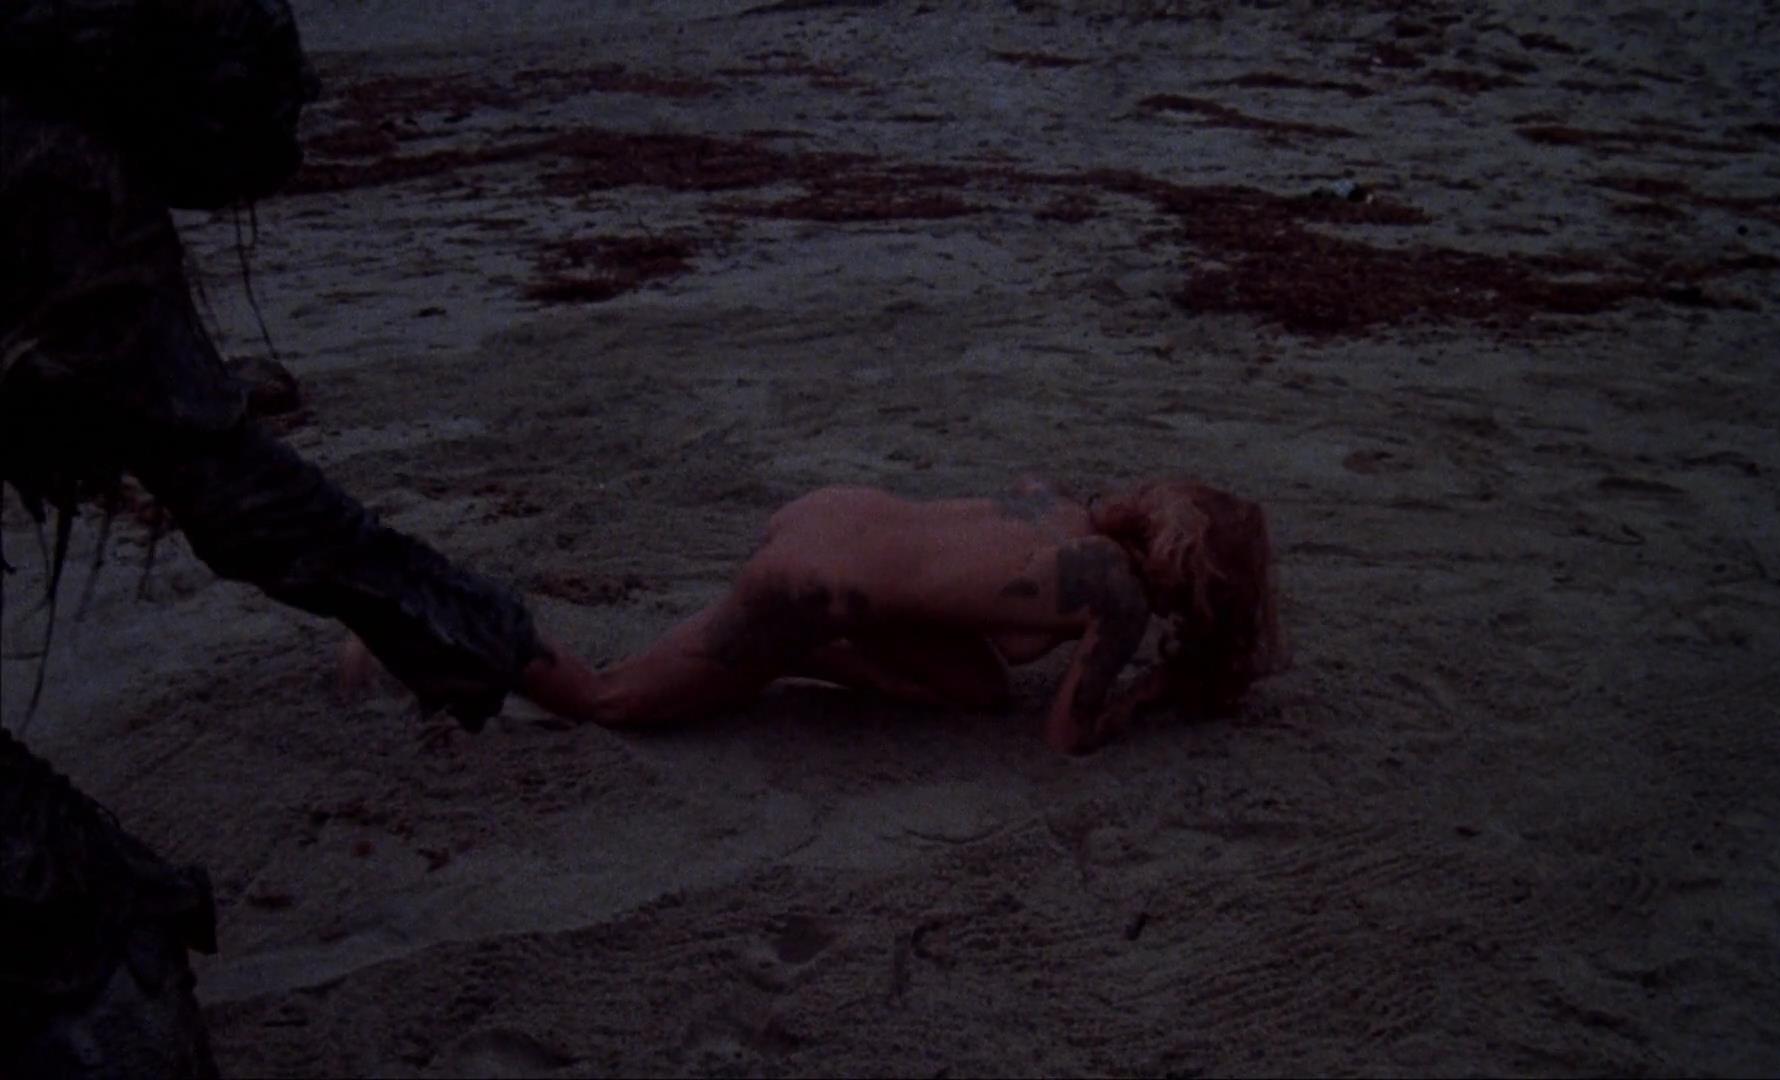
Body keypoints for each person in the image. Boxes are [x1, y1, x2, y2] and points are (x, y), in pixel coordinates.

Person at [0, 1, 571, 1074]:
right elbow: (232, 493)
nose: (293, 142)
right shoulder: (56, 173)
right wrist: (450, 619)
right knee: (100, 977)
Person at [503, 477, 1286, 753]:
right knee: (606, 699)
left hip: (832, 515)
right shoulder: (1117, 595)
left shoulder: (1059, 506)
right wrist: (1146, 695)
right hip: (811, 585)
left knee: (982, 691)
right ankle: (467, 626)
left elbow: (973, 593)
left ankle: (800, 653)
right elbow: (1064, 737)